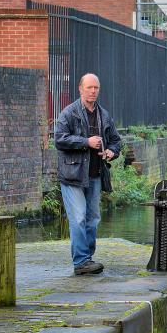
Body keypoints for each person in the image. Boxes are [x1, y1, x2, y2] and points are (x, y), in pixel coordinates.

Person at [55, 73, 122, 275]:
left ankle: (88, 258)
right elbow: (59, 140)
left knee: (93, 219)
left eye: (96, 88)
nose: (93, 91)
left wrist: (112, 151)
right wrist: (86, 142)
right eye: (89, 87)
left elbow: (116, 140)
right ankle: (81, 262)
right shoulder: (69, 113)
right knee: (78, 218)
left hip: (95, 175)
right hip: (73, 175)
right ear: (80, 89)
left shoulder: (104, 115)